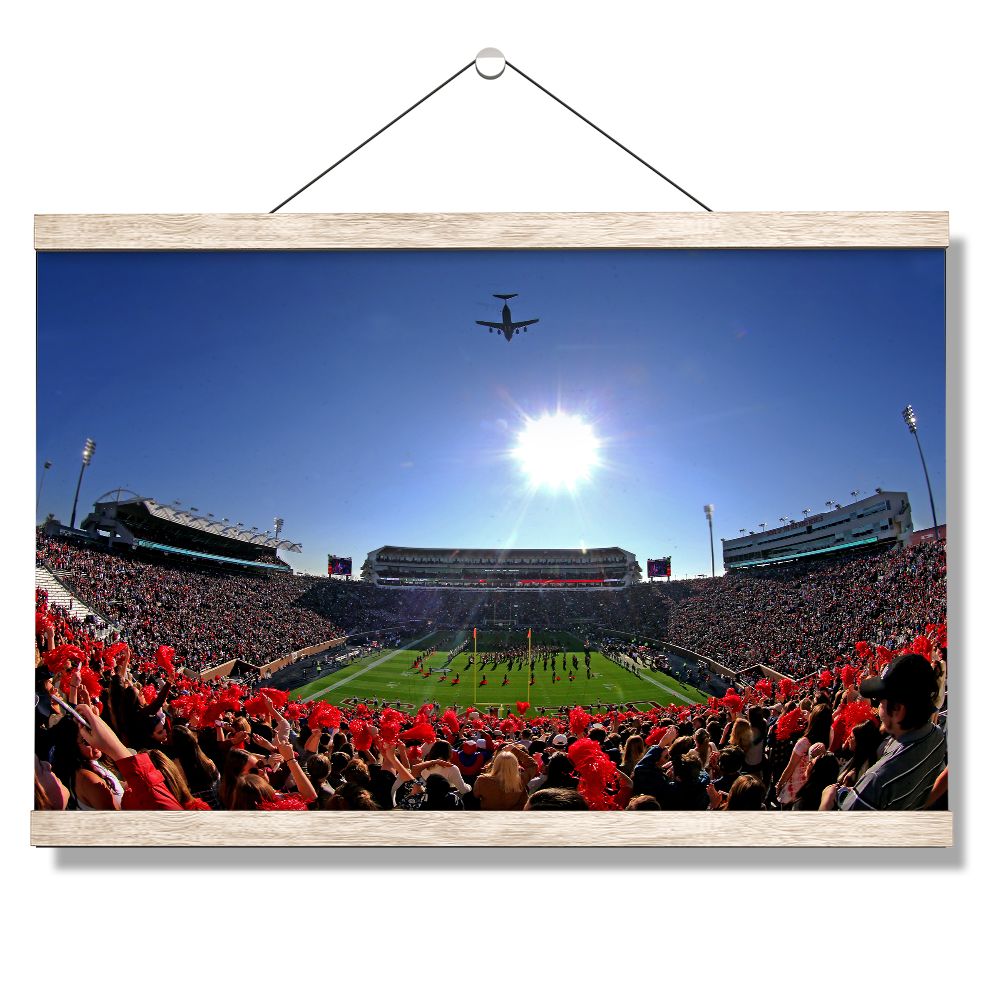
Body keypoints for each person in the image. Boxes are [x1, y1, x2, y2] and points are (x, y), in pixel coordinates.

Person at [822, 654, 946, 811]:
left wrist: (825, 804)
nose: (878, 709)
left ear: (898, 709)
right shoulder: (937, 735)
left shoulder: (875, 782)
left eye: (880, 702)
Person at [473, 746, 538, 810]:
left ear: (496, 764)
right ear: (515, 764)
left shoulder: (482, 780)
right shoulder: (521, 779)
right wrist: (515, 750)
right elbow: (533, 765)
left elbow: (476, 795)